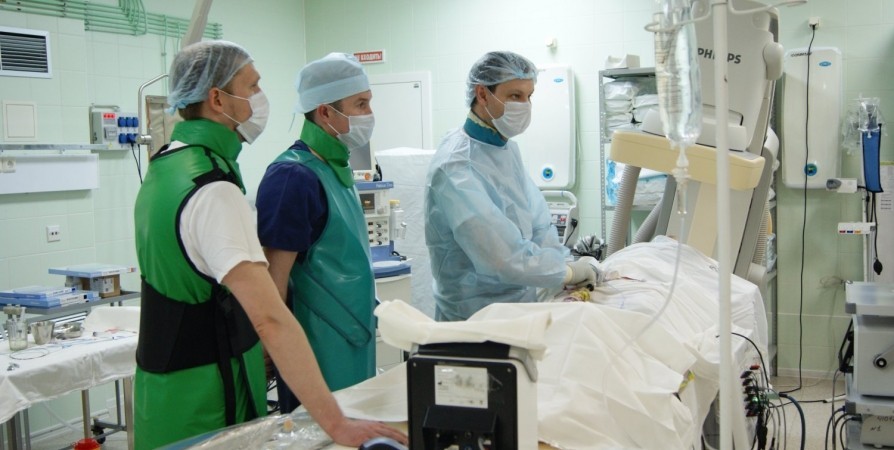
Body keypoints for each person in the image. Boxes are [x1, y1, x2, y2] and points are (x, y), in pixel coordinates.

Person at [132, 41, 406, 449]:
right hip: (207, 394)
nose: (261, 98)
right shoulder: (214, 188)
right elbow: (270, 317)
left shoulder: (166, 166)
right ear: (217, 99)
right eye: (253, 86)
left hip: (163, 391)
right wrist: (337, 424)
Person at [425, 50, 600, 322]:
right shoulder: (455, 166)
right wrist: (567, 273)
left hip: (521, 306)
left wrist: (562, 262)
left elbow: (538, 225)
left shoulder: (505, 150)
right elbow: (501, 258)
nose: (525, 105)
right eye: (515, 96)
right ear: (482, 94)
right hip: (474, 317)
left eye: (529, 96)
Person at [255, 53, 376, 412]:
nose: (369, 114)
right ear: (325, 112)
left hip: (354, 335)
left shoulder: (335, 169)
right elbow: (274, 279)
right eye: (360, 104)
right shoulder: (293, 177)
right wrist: (269, 345)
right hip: (315, 343)